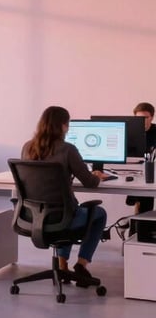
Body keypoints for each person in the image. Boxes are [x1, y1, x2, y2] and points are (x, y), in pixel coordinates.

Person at [21, 105, 107, 286]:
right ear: (64, 126)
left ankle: (62, 265)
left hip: (34, 218)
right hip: (63, 218)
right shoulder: (68, 149)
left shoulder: (27, 147)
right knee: (98, 213)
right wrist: (97, 176)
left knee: (68, 209)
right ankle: (82, 263)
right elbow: (89, 182)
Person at [126, 101, 156, 213]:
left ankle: (130, 223)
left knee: (144, 195)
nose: (142, 121)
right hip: (132, 170)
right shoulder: (128, 132)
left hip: (151, 171)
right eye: (138, 118)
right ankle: (133, 223)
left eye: (145, 118)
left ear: (152, 117)